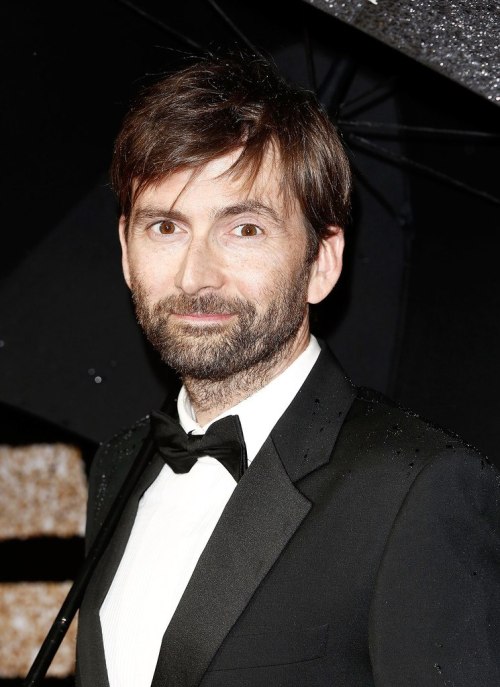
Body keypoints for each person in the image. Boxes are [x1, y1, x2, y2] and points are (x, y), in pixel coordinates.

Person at [76, 50, 500, 687]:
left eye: (244, 229)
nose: (195, 276)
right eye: (165, 227)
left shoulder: (420, 489)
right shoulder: (119, 464)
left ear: (322, 261)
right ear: (126, 252)